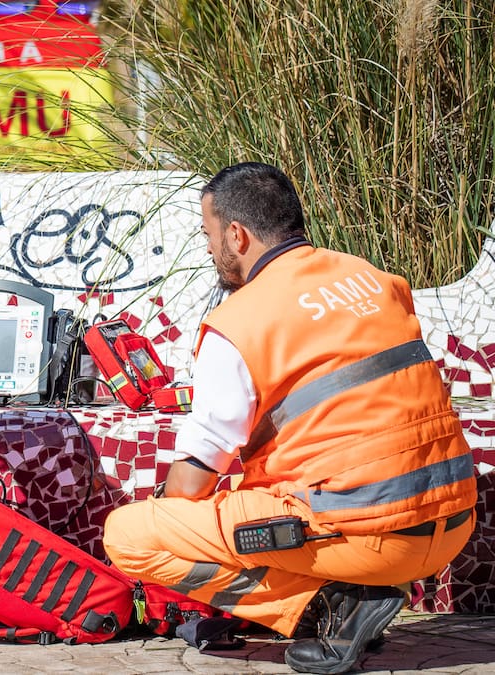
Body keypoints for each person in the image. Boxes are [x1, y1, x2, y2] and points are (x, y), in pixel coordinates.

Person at [104, 162, 477, 675]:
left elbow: (193, 481)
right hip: (452, 523)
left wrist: (168, 516)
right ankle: (347, 596)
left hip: (367, 538)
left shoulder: (239, 320)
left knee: (130, 534)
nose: (211, 248)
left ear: (237, 234)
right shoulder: (372, 278)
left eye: (209, 235)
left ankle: (326, 608)